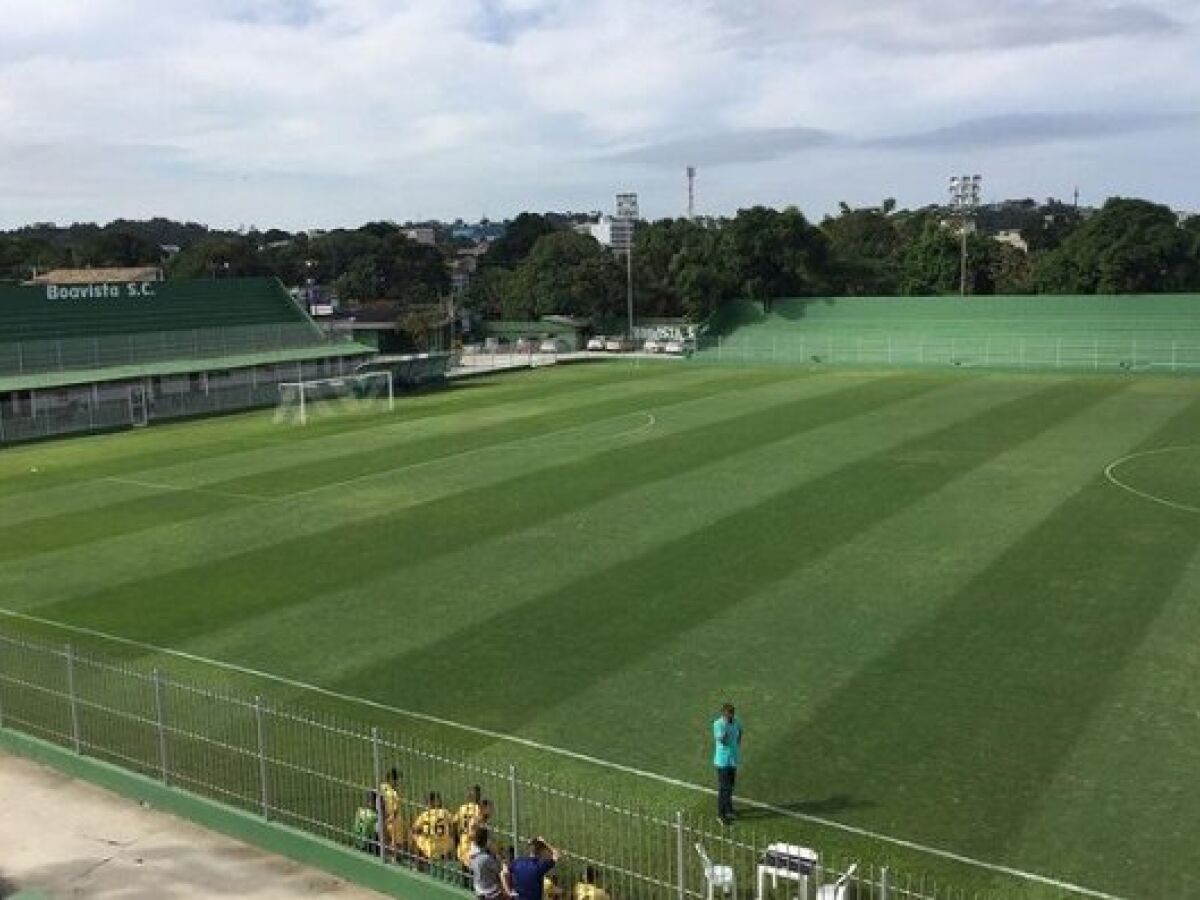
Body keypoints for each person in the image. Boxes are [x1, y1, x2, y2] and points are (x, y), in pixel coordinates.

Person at [712, 702, 743, 825]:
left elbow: (740, 731)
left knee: (730, 786)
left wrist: (736, 744)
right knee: (724, 788)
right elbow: (722, 740)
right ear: (724, 714)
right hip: (722, 762)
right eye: (729, 715)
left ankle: (729, 809)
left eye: (732, 714)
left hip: (732, 760)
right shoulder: (718, 724)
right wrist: (725, 727)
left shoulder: (736, 721)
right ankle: (721, 814)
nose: (731, 717)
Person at [412, 791, 456, 870]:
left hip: (430, 848)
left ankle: (417, 865)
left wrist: (424, 831)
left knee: (416, 837)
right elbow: (453, 824)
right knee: (451, 836)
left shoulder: (424, 815)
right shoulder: (445, 812)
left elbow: (414, 829)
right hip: (445, 848)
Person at [468, 825, 508, 900]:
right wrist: (500, 857)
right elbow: (500, 870)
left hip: (479, 888)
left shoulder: (472, 854)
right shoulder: (486, 858)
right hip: (490, 891)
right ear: (485, 841)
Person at [459, 795, 494, 868]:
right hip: (468, 852)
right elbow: (474, 838)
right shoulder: (477, 822)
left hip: (473, 851)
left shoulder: (482, 821)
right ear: (483, 809)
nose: (492, 810)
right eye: (490, 808)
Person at [379, 767, 405, 859]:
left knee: (384, 842)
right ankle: (395, 858)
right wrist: (388, 821)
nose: (398, 783)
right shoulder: (394, 794)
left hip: (381, 819)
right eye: (397, 780)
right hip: (393, 822)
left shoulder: (381, 787)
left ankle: (384, 856)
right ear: (391, 779)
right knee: (396, 844)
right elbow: (395, 811)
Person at [456, 786, 485, 866]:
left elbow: (455, 822)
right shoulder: (479, 809)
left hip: (463, 841)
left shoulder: (462, 808)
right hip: (474, 843)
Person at [352, 790, 381, 856]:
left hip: (358, 840)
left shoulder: (360, 811)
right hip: (368, 844)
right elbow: (378, 831)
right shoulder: (375, 816)